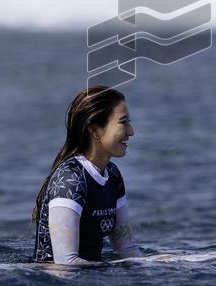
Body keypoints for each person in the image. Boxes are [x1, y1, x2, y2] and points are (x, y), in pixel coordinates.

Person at [32, 86, 143, 264]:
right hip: (58, 285)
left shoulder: (112, 174)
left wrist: (162, 264)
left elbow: (126, 248)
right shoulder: (70, 180)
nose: (131, 131)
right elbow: (65, 263)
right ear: (94, 130)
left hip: (91, 281)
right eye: (123, 122)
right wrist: (109, 268)